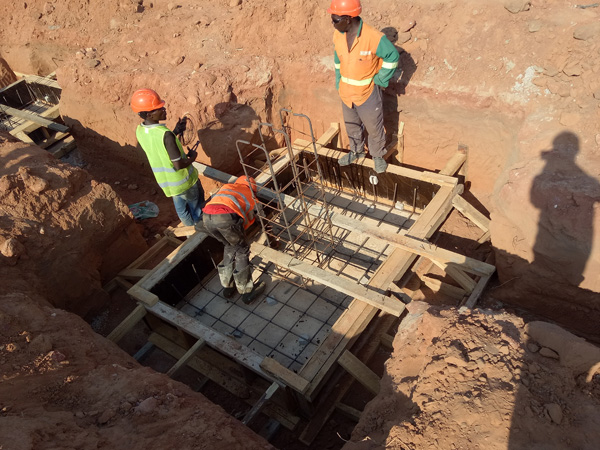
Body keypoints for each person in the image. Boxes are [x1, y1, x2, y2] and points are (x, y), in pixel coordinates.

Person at [328, 0, 399, 173]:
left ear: (349, 18)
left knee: (374, 127)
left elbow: (392, 56)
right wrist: (339, 81)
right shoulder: (338, 35)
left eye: (336, 19)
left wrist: (381, 79)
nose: (333, 23)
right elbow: (338, 59)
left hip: (367, 93)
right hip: (346, 93)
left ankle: (377, 156)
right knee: (352, 125)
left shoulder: (373, 37)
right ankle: (356, 151)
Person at [131, 88, 204, 226]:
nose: (164, 109)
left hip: (169, 184)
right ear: (149, 114)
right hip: (184, 181)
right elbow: (178, 165)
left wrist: (176, 131)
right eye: (158, 108)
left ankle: (190, 231)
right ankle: (201, 231)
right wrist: (192, 158)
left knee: (182, 209)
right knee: (197, 208)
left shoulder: (140, 130)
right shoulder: (166, 135)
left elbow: (159, 146)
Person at [201, 176, 266, 304]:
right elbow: (263, 220)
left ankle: (228, 287)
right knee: (242, 250)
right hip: (225, 218)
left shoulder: (227, 187)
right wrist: (272, 239)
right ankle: (246, 291)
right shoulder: (251, 197)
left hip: (206, 218)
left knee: (229, 246)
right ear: (253, 188)